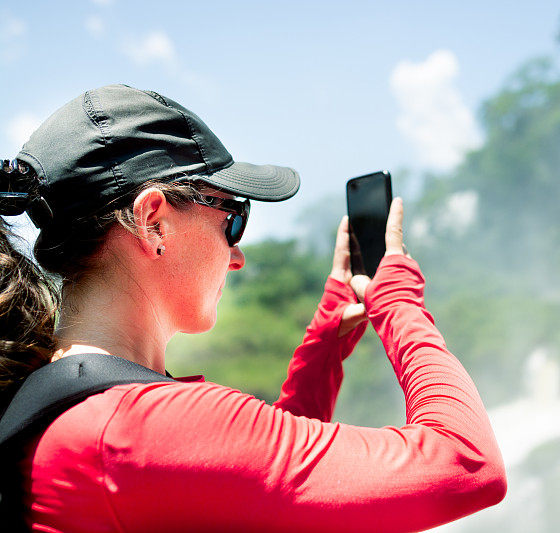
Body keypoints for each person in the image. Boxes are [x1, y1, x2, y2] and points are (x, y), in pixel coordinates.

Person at [0, 84, 506, 532]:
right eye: (232, 220)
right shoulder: (141, 430)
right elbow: (466, 463)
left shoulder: (71, 404)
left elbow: (250, 479)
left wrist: (324, 344)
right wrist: (398, 302)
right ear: (154, 221)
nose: (237, 256)